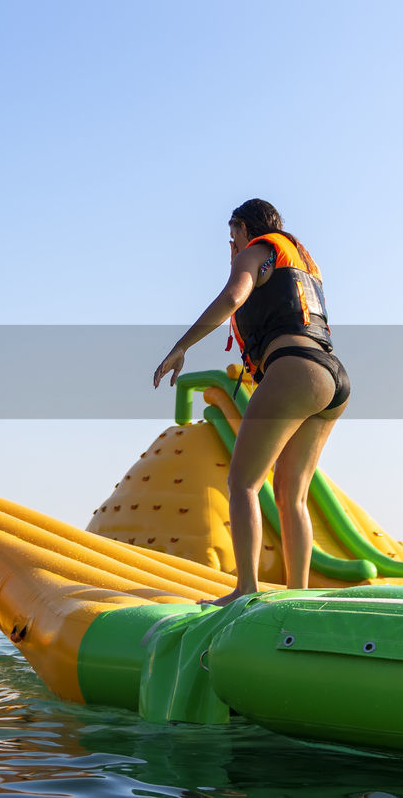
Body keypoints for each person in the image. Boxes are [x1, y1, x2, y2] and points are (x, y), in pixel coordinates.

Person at [153, 198, 350, 606]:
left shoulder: (257, 249)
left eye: (232, 237)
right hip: (331, 377)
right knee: (291, 494)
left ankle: (245, 589)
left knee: (242, 483)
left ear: (244, 228)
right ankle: (299, 596)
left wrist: (181, 345)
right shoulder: (299, 259)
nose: (232, 245)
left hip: (295, 370)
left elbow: (233, 297)